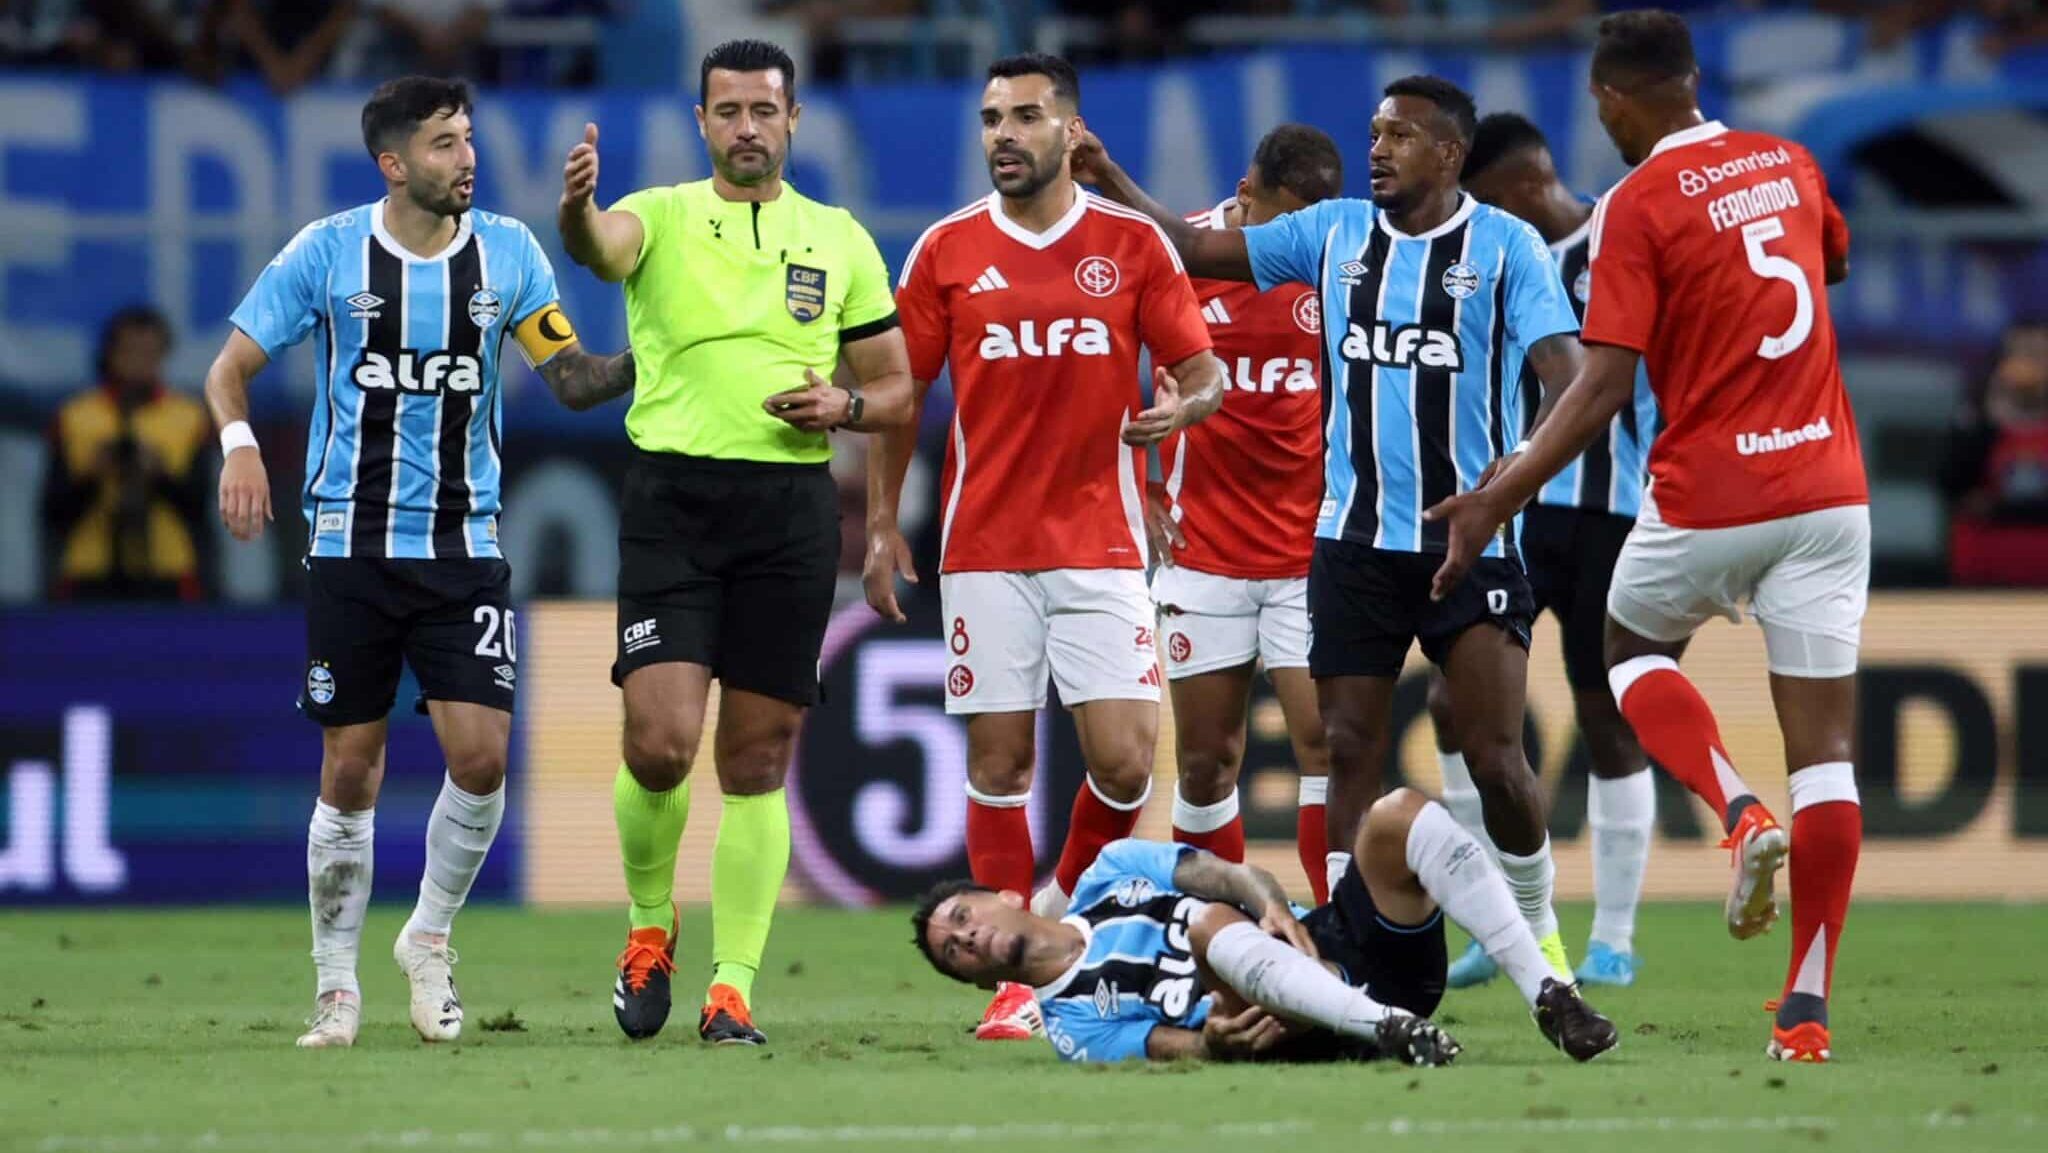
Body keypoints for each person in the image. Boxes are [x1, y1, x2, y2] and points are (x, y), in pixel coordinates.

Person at [1426, 11, 1866, 1064]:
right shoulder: (1788, 161)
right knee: (1830, 761)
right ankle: (1805, 1008)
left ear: (1612, 100)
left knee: (1628, 655)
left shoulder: (1637, 204)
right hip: (1827, 486)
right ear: (1692, 80)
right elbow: (1826, 267)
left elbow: (1601, 388)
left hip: (1709, 489)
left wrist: (1498, 493)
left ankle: (1732, 806)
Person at [1075, 75, 1585, 981]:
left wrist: (1506, 488)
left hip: (1471, 541)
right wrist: (1109, 176)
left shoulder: (1508, 248)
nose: (1379, 147)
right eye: (1376, 129)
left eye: (1401, 135)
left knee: (1496, 754)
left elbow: (1569, 377)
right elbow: (1193, 245)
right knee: (1345, 746)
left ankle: (1539, 926)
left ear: (1450, 155)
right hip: (1351, 542)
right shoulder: (1334, 231)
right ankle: (1356, 944)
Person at [206, 76, 633, 1049]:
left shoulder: (511, 253)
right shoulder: (327, 252)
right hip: (350, 548)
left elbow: (568, 379)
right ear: (393, 163)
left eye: (469, 139)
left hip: (464, 548)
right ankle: (334, 987)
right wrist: (237, 449)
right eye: (443, 143)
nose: (466, 157)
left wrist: (657, 358)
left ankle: (428, 939)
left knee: (481, 760)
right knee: (350, 770)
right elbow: (227, 369)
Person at [557, 38, 915, 1047]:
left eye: (765, 109)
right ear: (702, 120)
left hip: (789, 511)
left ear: (792, 119)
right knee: (661, 743)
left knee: (756, 758)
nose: (747, 127)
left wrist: (844, 401)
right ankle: (645, 926)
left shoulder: (837, 237)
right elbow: (598, 246)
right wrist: (575, 208)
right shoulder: (662, 214)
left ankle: (732, 987)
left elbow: (895, 388)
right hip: (674, 502)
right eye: (728, 111)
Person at [865, 53, 1225, 1042]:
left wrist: (1174, 413)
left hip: (1100, 545)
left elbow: (1201, 374)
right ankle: (1011, 982)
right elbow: (900, 402)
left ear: (1070, 131)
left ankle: (1057, 914)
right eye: (989, 119)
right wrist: (879, 523)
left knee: (1122, 763)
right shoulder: (943, 250)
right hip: (982, 543)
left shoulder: (1131, 246)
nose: (1002, 135)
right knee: (998, 759)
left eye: (1024, 116)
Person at [1429, 111, 1662, 990]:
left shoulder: (1622, 241)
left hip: (1613, 513)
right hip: (1514, 515)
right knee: (1456, 709)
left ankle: (1616, 936)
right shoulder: (1492, 257)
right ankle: (1495, 924)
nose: (1481, 220)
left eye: (1490, 201)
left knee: (1606, 710)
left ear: (1527, 185)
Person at [911, 787, 1617, 1065]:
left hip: (1323, 941)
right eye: (955, 951)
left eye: (963, 917)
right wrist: (1215, 1041)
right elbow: (1182, 1045)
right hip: (1285, 1018)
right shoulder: (1071, 1026)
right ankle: (1387, 1028)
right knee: (1203, 927)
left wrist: (1272, 900)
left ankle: (1550, 995)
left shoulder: (1109, 869)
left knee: (1396, 813)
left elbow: (1228, 876)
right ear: (981, 980)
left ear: (1005, 894)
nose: (966, 937)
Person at [1146, 124, 1342, 902]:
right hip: (1205, 550)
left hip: (1309, 550)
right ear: (1246, 192)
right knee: (1205, 761)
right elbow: (1104, 370)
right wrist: (1142, 485)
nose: (1292, 241)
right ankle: (1210, 942)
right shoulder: (1182, 254)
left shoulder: (1334, 260)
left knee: (1326, 743)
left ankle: (1339, 940)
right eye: (1282, 221)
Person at [44, 306, 212, 603]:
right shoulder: (75, 417)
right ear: (110, 353)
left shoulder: (188, 417)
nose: (139, 362)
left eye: (150, 352)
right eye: (130, 351)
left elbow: (200, 508)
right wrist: (93, 473)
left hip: (170, 575)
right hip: (88, 575)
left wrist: (159, 474)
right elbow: (52, 512)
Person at [1939, 319, 2048, 585]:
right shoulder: (1976, 421)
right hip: (1984, 570)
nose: (2028, 365)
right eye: (2020, 354)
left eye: (2038, 355)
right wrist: (1985, 419)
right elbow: (1953, 488)